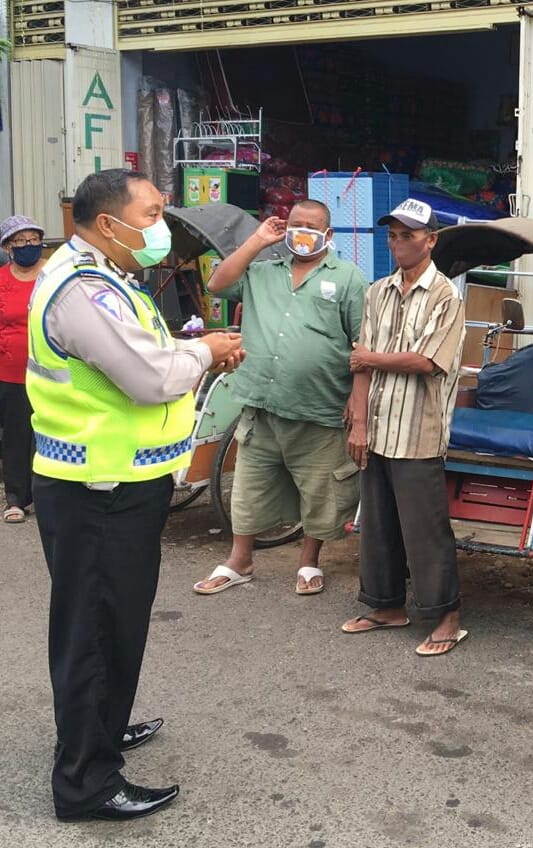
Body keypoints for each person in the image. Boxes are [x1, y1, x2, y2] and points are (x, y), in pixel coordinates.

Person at [28, 169, 243, 820]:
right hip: (98, 489)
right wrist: (205, 353)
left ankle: (101, 728)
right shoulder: (83, 292)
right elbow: (149, 378)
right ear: (106, 223)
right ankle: (86, 784)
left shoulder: (107, 277)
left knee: (114, 624)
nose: (160, 226)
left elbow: (144, 353)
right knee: (96, 631)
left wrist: (190, 349)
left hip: (117, 484)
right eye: (150, 214)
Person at [193, 199, 366, 597]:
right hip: (262, 403)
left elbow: (362, 346)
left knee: (319, 489)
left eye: (312, 227)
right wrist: (257, 240)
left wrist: (358, 406)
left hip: (319, 406)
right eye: (295, 224)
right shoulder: (261, 272)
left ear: (328, 235)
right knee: (249, 486)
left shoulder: (348, 279)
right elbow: (216, 283)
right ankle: (239, 560)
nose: (302, 232)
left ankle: (309, 561)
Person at [340, 198, 467, 656]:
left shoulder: (446, 296)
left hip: (418, 429)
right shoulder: (378, 291)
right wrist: (358, 422)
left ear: (430, 240)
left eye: (407, 236)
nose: (398, 244)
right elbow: (360, 363)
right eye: (393, 235)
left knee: (425, 530)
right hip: (377, 425)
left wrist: (369, 358)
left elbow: (427, 361)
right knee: (378, 524)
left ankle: (446, 617)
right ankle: (386, 606)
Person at [0, 215, 47, 523]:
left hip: (52, 370)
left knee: (50, 435)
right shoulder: (2, 280)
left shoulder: (54, 273)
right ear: (8, 247)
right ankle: (16, 498)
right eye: (21, 241)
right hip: (11, 371)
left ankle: (49, 496)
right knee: (16, 436)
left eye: (34, 240)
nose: (29, 246)